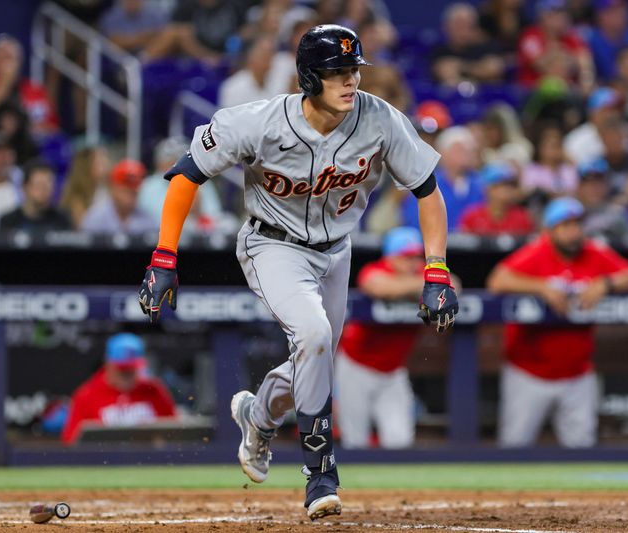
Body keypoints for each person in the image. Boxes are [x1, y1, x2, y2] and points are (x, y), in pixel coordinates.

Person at [137, 25, 458, 520]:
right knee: (313, 334)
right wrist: (164, 255)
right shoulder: (258, 121)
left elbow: (428, 192)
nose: (350, 81)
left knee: (317, 355)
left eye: (354, 70)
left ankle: (257, 414)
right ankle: (320, 471)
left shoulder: (379, 119)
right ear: (310, 77)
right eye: (337, 72)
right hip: (272, 243)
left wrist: (435, 268)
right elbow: (186, 175)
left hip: (337, 248)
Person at [487, 197, 628, 448]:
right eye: (566, 225)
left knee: (581, 449)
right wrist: (541, 287)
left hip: (577, 374)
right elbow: (497, 281)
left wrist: (606, 283)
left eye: (577, 224)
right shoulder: (538, 251)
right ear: (550, 231)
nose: (574, 232)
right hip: (529, 373)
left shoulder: (594, 251)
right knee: (514, 447)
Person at [335, 227, 427, 449]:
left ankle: (394, 486)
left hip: (393, 372)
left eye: (416, 256)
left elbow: (453, 284)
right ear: (391, 257)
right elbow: (380, 287)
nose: (413, 263)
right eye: (406, 257)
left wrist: (420, 285)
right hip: (356, 367)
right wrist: (422, 287)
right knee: (354, 440)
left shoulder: (422, 272)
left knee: (400, 441)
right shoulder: (375, 270)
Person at [61, 333, 176, 445]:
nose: (127, 374)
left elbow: (175, 434)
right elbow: (71, 442)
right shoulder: (87, 394)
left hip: (148, 460)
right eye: (122, 369)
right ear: (108, 365)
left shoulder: (154, 389)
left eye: (131, 368)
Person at [401, 126, 483, 230]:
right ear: (443, 153)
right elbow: (414, 219)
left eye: (469, 150)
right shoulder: (426, 183)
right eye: (459, 149)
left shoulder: (480, 184)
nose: (466, 154)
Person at [516, 0, 594, 90]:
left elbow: (584, 60)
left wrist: (587, 83)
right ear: (543, 16)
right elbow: (541, 64)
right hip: (533, 91)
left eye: (562, 13)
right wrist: (566, 57)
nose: (561, 18)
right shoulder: (531, 36)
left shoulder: (570, 37)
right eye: (555, 13)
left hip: (567, 91)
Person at [431, 3, 506, 86]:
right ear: (446, 28)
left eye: (468, 26)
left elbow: (494, 69)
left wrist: (460, 66)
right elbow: (445, 72)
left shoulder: (487, 47)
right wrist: (479, 69)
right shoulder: (439, 52)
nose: (463, 31)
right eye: (458, 26)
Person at [81, 159, 157, 235]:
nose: (132, 190)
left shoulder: (147, 218)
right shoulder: (96, 217)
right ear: (113, 187)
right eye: (126, 185)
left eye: (135, 185)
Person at [0, 158, 72, 233]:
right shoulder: (8, 222)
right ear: (24, 187)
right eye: (39, 184)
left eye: (48, 185)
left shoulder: (62, 220)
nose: (44, 190)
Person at [459, 163, 534, 235]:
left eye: (510, 185)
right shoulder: (472, 216)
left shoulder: (521, 217)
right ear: (487, 189)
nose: (505, 190)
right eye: (499, 186)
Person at [218, 35, 289, 108]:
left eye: (272, 53)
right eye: (265, 54)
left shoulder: (276, 83)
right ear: (251, 56)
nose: (269, 58)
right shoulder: (234, 87)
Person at [585, 0, 628, 82]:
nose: (620, 14)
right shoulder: (590, 40)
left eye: (623, 9)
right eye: (612, 10)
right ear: (600, 15)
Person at [520, 122, 578, 203]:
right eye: (553, 146)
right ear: (541, 148)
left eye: (559, 145)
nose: (556, 150)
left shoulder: (568, 168)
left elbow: (576, 191)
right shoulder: (531, 170)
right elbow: (528, 193)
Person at [563, 87, 623, 165]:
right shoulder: (576, 140)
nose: (613, 114)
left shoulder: (624, 134)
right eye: (608, 109)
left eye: (616, 109)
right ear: (593, 113)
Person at [575, 158, 628, 238]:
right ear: (579, 187)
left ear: (607, 187)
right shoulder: (572, 214)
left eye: (599, 184)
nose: (594, 189)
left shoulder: (618, 213)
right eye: (589, 184)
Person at [60, 146, 112, 229]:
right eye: (100, 162)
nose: (107, 164)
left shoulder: (110, 190)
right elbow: (83, 228)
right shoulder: (77, 197)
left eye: (105, 159)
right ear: (87, 166)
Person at [100, 0, 168, 55]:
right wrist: (143, 38)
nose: (132, 2)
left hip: (150, 56)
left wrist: (127, 40)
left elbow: (162, 38)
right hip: (121, 59)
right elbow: (113, 42)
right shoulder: (111, 17)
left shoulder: (154, 15)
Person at [480, 103, 533, 168]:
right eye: (486, 129)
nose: (488, 134)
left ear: (503, 130)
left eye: (492, 129)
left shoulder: (520, 147)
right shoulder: (484, 151)